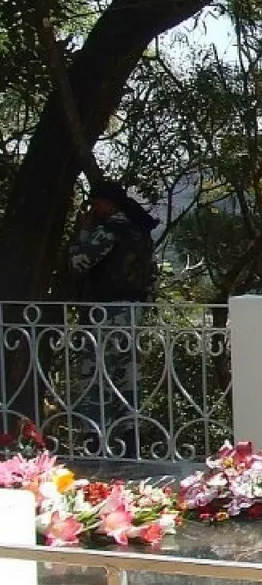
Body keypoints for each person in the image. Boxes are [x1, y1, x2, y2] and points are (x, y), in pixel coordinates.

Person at [67, 181, 160, 456]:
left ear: (110, 203)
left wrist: (83, 233)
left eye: (97, 203)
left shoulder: (108, 232)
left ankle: (94, 439)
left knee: (95, 373)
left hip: (106, 312)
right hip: (132, 311)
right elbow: (152, 276)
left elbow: (78, 263)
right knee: (128, 375)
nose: (94, 209)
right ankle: (130, 438)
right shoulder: (140, 234)